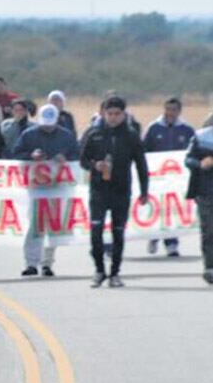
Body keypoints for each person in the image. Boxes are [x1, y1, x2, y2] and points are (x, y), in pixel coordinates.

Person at [79, 97, 149, 288]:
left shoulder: (131, 135)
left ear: (123, 114)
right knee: (96, 231)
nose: (113, 118)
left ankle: (115, 273)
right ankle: (99, 270)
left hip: (121, 191)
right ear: (104, 113)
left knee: (118, 233)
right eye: (110, 113)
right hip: (99, 191)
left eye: (117, 114)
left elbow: (141, 165)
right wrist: (95, 165)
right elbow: (82, 160)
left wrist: (144, 191)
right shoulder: (93, 133)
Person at [12, 104, 81, 277]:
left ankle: (47, 263)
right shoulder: (29, 135)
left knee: (54, 225)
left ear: (57, 120)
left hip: (59, 187)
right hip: (36, 187)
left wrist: (65, 159)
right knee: (36, 225)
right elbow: (15, 154)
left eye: (50, 124)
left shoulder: (67, 136)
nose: (47, 127)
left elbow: (78, 157)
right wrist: (31, 157)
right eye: (44, 124)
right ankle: (31, 263)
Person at [143, 97, 196, 258]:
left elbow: (193, 151)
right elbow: (144, 150)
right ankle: (154, 236)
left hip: (176, 179)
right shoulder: (154, 128)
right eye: (168, 109)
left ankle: (172, 243)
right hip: (157, 177)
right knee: (157, 208)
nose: (170, 113)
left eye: (174, 110)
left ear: (179, 111)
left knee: (173, 209)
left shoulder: (187, 130)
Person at [185, 113, 213, 284]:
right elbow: (188, 159)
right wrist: (201, 163)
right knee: (209, 230)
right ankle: (209, 266)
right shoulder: (201, 137)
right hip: (205, 191)